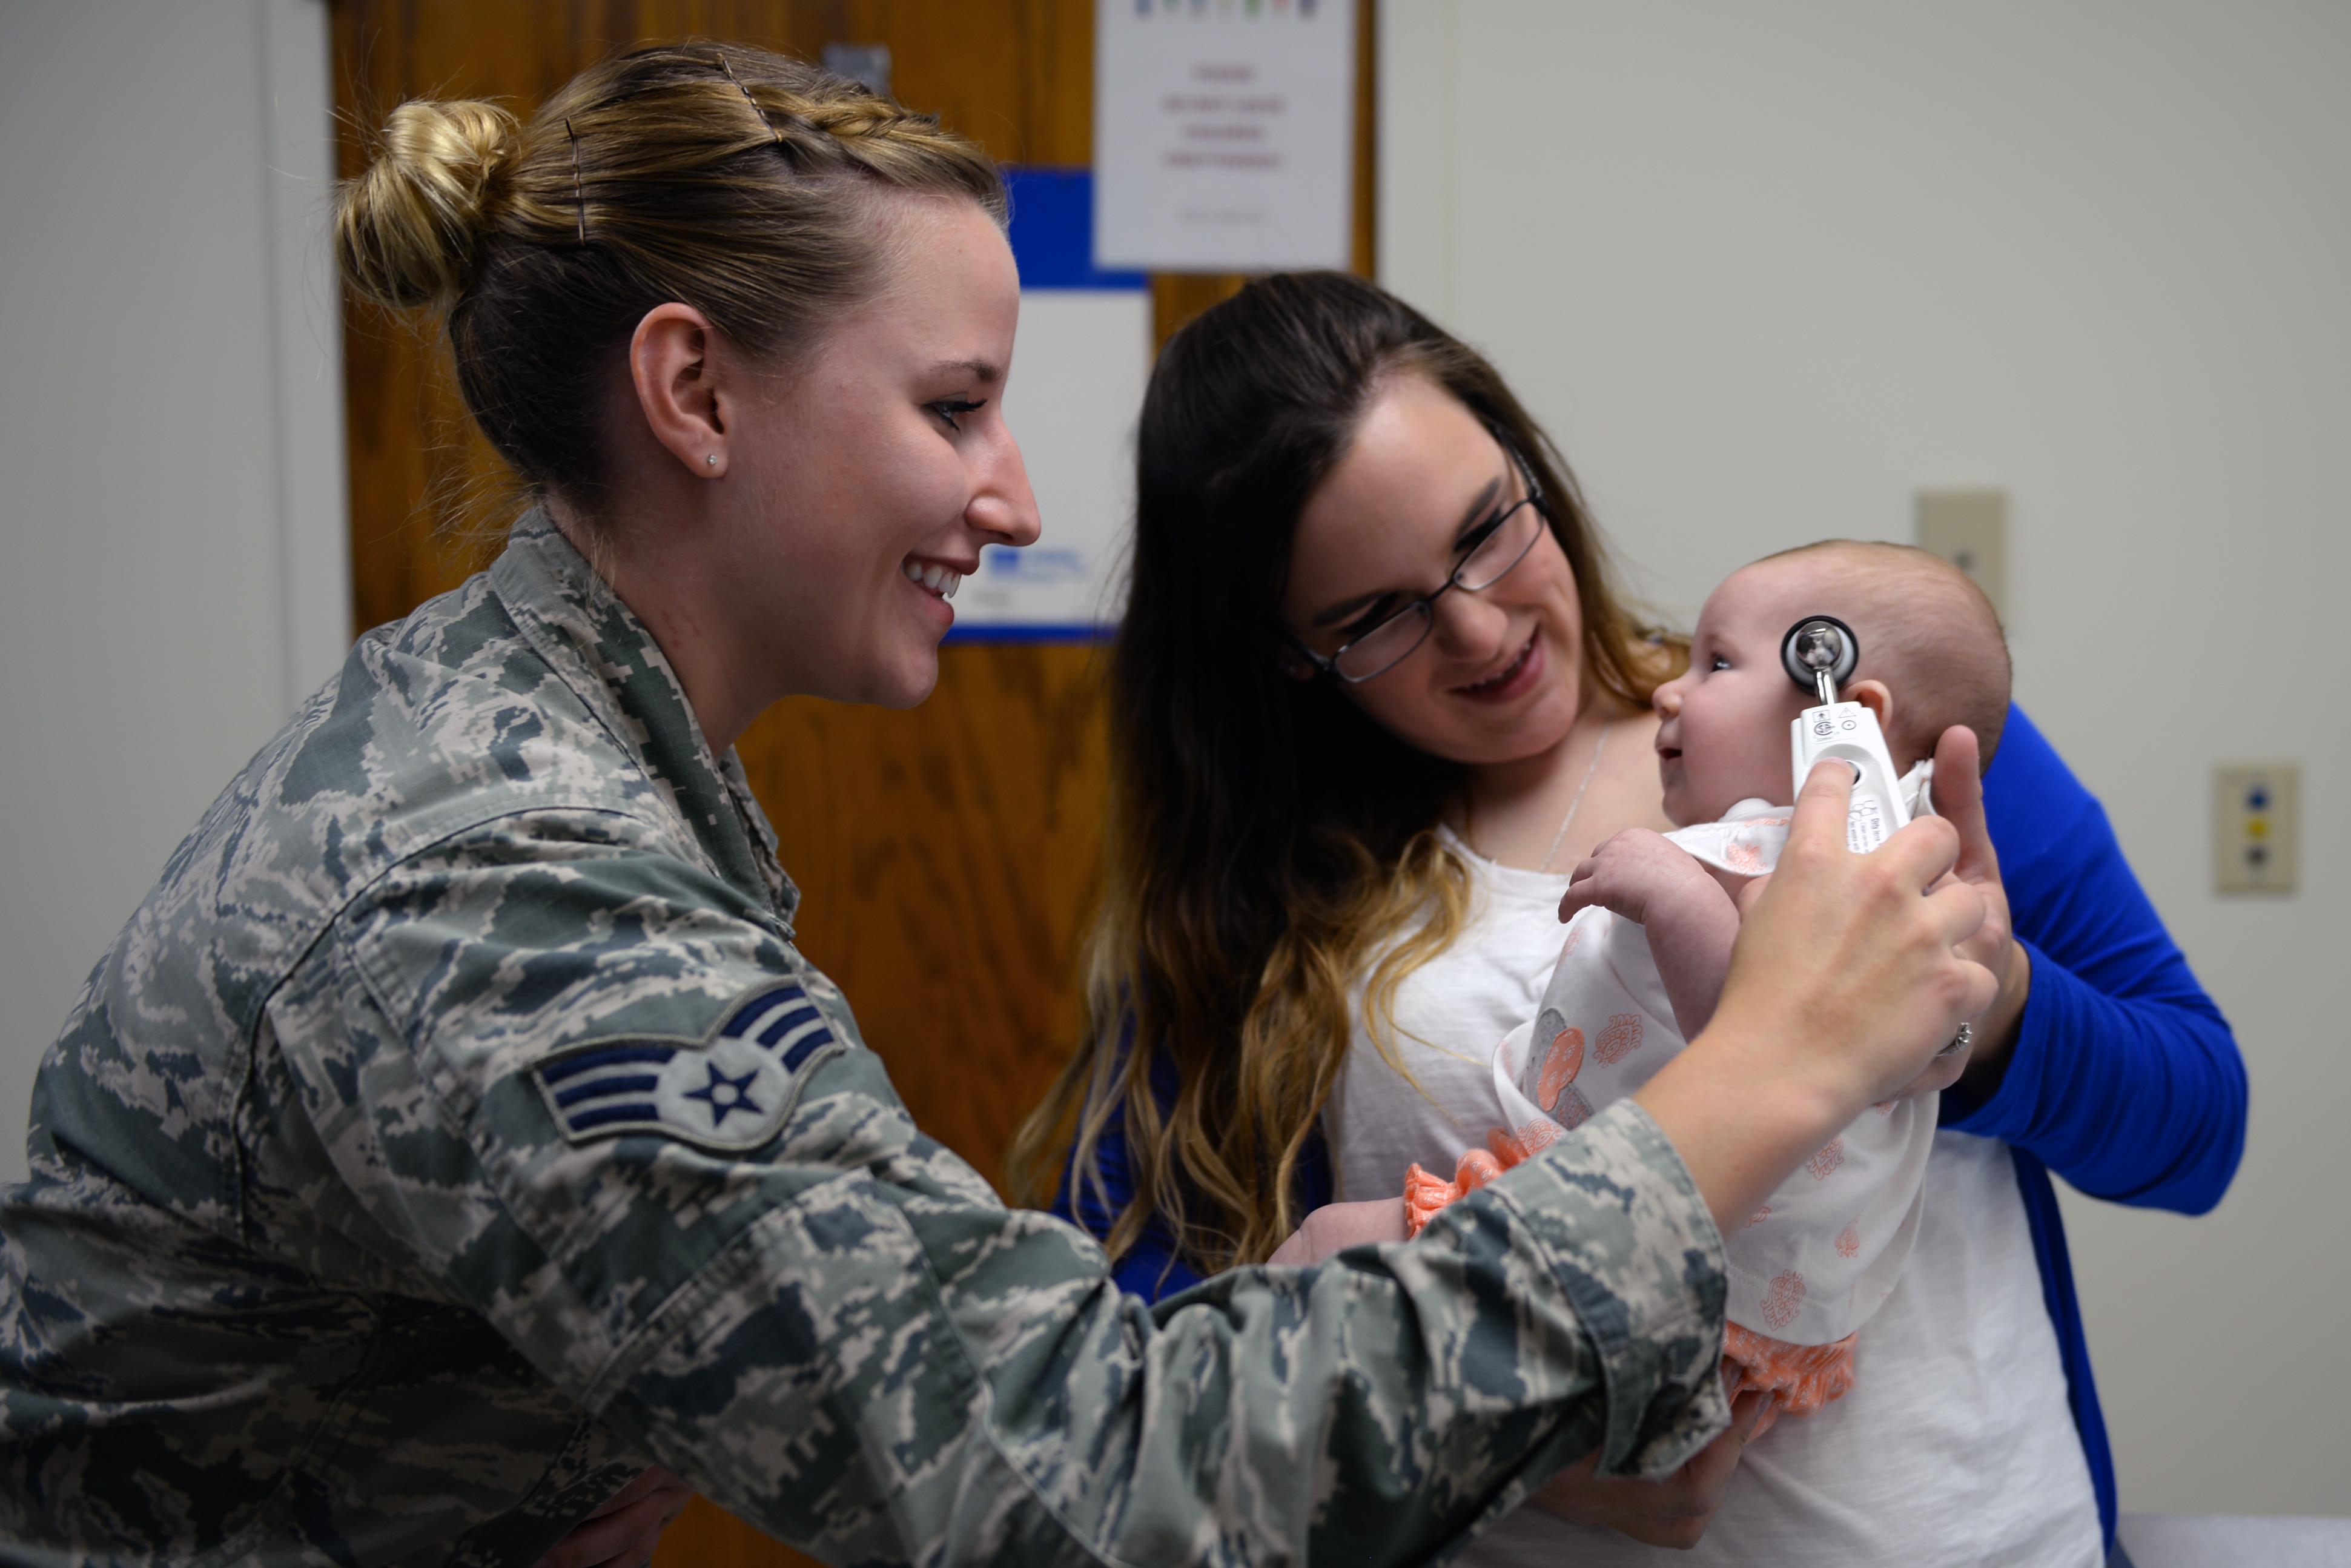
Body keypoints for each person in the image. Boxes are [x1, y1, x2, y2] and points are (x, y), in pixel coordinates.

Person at [0, 44, 1997, 1568]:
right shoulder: (498, 877)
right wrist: (1762, 1076)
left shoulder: (572, 768)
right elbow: (1073, 1468)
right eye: (952, 405)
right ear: (695, 395)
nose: (1016, 497)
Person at [1025, 273, 2246, 1566]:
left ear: (1530, 470)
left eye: (1487, 530)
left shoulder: (1848, 732)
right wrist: (1476, 1455)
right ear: (1287, 655)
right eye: (1375, 616)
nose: (1480, 630)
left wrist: (1993, 1017)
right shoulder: (1254, 910)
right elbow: (1119, 1380)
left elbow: (2197, 1131)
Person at [1398, 540, 2017, 1427]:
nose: (1668, 690)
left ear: (1843, 710)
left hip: (1656, 1248)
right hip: (1699, 1265)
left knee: (1326, 1248)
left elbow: (1766, 1038)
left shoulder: (1844, 870)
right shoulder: (1860, 864)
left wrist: (1675, 893)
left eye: (1718, 663)